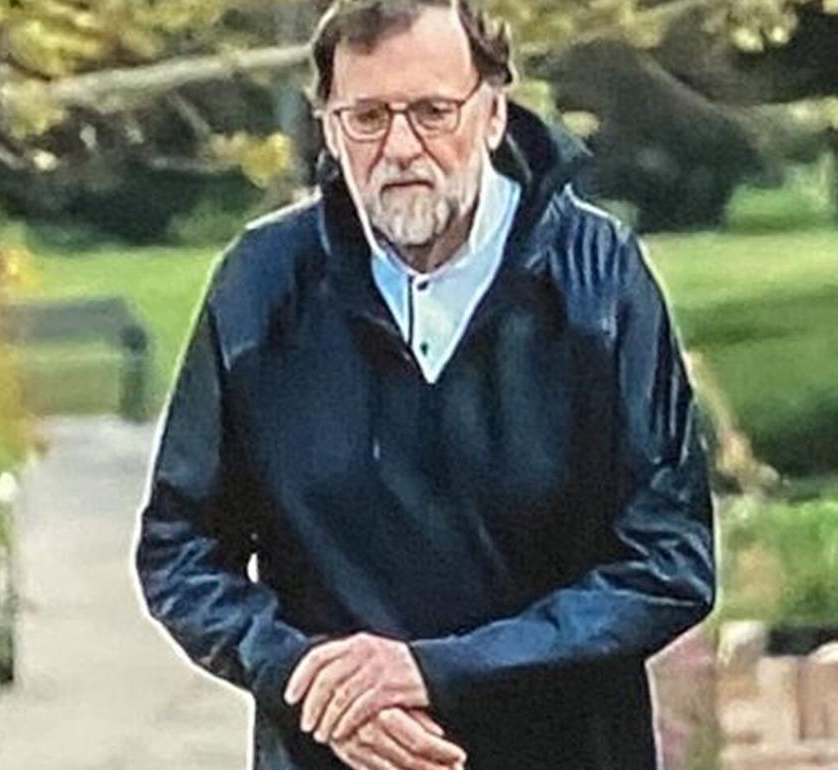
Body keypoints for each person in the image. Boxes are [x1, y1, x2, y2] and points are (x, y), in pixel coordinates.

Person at [133, 0, 716, 768]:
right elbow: (180, 548)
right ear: (328, 126)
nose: (401, 147)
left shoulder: (598, 283)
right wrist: (304, 676)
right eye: (368, 117)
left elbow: (668, 563)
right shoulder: (263, 287)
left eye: (433, 112)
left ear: (494, 112)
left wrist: (435, 673)